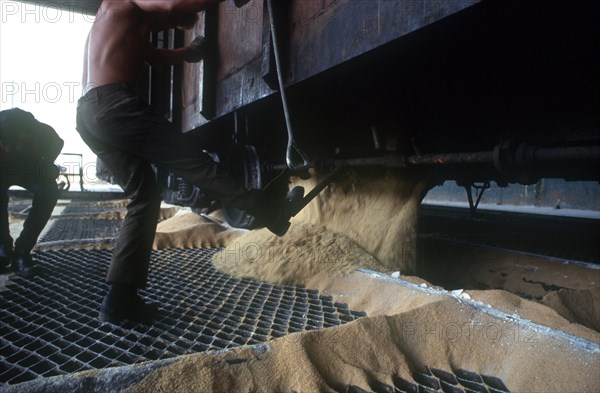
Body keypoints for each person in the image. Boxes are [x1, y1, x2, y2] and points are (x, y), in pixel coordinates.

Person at [76, 0, 303, 324]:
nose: (168, 28)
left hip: (88, 115)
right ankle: (271, 211)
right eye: (170, 24)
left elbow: (151, 53)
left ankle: (118, 301)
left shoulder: (114, 20)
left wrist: (185, 53)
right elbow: (170, 3)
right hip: (114, 104)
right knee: (194, 164)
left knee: (145, 196)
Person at [0, 108, 64, 278]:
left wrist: (45, 165)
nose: (7, 148)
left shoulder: (47, 137)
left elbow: (56, 147)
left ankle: (22, 252)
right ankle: (3, 251)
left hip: (29, 166)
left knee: (48, 189)